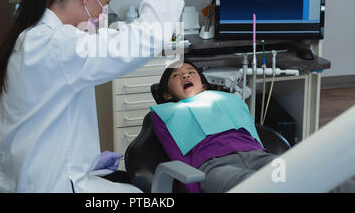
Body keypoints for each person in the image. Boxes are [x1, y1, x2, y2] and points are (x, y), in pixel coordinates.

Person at [0, 0, 184, 193]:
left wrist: (87, 159)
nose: (102, 13)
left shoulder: (28, 37)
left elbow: (43, 119)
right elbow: (146, 39)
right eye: (104, 3)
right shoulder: (60, 45)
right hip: (51, 186)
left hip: (25, 178)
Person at [152, 61, 355, 193]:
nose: (186, 75)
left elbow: (252, 134)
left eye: (190, 72)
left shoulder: (228, 100)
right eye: (176, 75)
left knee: (318, 175)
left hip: (258, 156)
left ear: (203, 84)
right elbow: (177, 155)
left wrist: (266, 156)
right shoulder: (166, 113)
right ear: (167, 94)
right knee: (260, 186)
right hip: (215, 166)